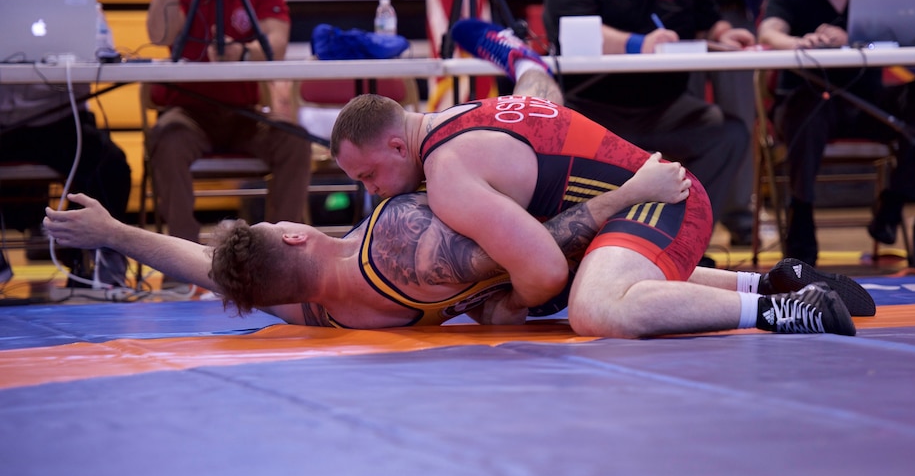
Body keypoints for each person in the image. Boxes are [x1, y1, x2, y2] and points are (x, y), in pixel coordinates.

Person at [325, 17, 875, 339]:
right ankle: (776, 281)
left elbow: (540, 275)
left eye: (370, 174)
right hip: (649, 200)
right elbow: (538, 82)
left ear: (398, 144)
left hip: (662, 200)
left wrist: (506, 311)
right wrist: (504, 47)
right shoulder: (472, 113)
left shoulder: (448, 173)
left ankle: (780, 311)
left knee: (593, 308)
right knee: (593, 270)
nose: (371, 190)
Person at [43, 155, 694, 327]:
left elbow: (205, 264)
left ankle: (769, 284)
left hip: (565, 275)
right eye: (275, 222)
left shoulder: (306, 305)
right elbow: (540, 252)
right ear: (297, 236)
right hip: (587, 238)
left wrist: (112, 232)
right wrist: (632, 190)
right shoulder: (398, 247)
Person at [541, 0, 753, 246]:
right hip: (595, 114)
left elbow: (708, 18)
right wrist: (640, 43)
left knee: (728, 134)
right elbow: (569, 30)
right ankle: (593, 245)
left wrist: (724, 34)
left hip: (665, 110)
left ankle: (684, 239)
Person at [757, 0, 915, 265]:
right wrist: (802, 42)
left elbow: (909, 39)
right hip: (807, 107)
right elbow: (769, 31)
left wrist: (854, 38)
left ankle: (893, 205)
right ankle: (801, 216)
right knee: (806, 107)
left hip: (867, 104)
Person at [655, 0, 811, 246]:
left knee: (740, 118)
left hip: (734, 19)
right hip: (678, 22)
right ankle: (679, 208)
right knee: (680, 117)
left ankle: (739, 213)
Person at [144, 0, 310, 246]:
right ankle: (181, 255)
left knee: (294, 141)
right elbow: (159, 35)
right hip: (187, 113)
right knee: (166, 138)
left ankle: (278, 254)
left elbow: (275, 47)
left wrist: (241, 54)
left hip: (244, 115)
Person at [0, 0, 131, 287]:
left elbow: (101, 52)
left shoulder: (81, 0)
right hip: (4, 125)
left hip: (59, 120)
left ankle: (88, 268)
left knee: (112, 165)